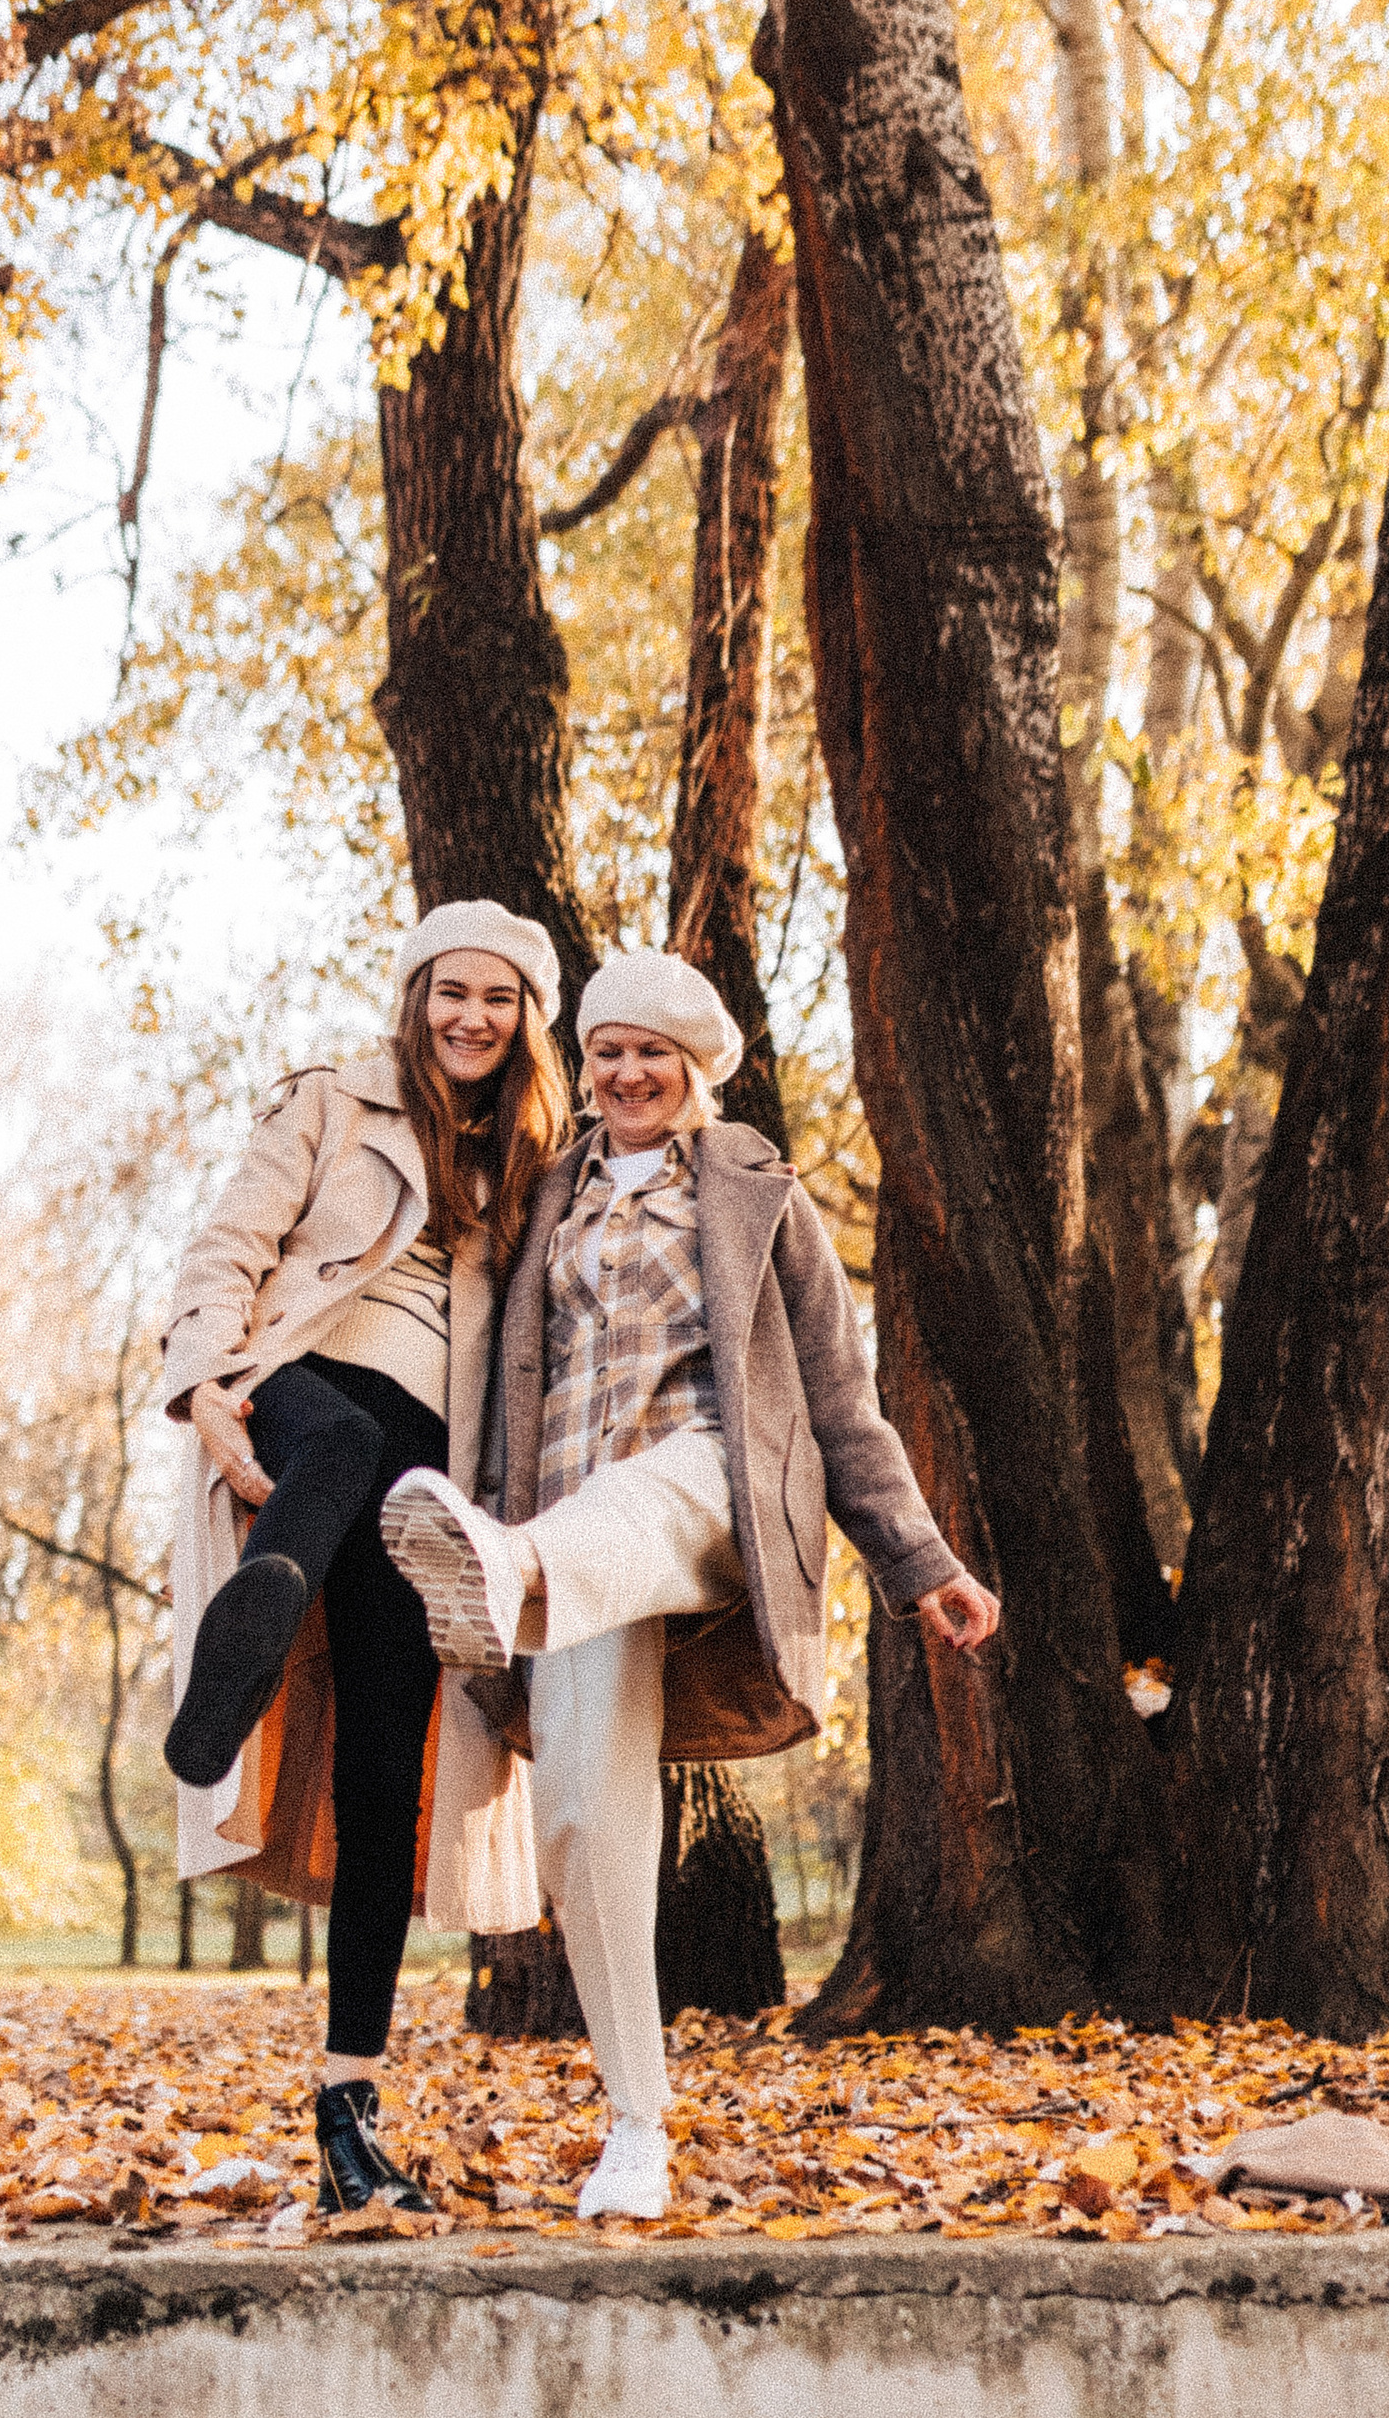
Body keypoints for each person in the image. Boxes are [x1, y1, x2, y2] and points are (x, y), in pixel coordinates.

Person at [383, 948, 1000, 2221]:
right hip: (568, 1536)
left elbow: (838, 1398)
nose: (626, 1073)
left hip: (712, 1486)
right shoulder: (540, 1198)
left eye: (651, 1054)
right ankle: (636, 2123)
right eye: (607, 1051)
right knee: (580, 1817)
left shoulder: (759, 1197)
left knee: (651, 1490)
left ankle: (501, 1568)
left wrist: (918, 1558)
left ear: (695, 1069)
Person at [159, 902, 570, 2214]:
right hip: (294, 1388)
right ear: (415, 997)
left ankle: (349, 2112)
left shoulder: (539, 1163)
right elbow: (228, 1245)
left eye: (498, 999)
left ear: (527, 1021)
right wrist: (204, 1383)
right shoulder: (330, 1102)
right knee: (334, 1437)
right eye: (451, 991)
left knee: (388, 1768)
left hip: (426, 1469)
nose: (471, 1016)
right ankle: (252, 1636)